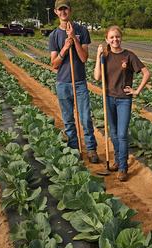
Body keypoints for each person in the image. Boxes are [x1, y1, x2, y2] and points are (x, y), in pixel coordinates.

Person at [94, 25, 150, 181]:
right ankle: (118, 161)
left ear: (121, 38)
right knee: (113, 133)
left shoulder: (129, 56)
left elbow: (146, 73)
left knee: (122, 134)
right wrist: (98, 56)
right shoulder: (105, 55)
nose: (115, 40)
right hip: (109, 98)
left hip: (124, 100)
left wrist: (136, 91)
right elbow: (97, 77)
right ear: (107, 39)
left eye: (117, 37)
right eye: (111, 37)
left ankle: (123, 167)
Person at [49, 0, 99, 163]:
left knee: (85, 118)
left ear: (70, 10)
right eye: (60, 9)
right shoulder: (54, 36)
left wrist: (74, 39)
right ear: (56, 12)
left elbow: (84, 58)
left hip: (79, 82)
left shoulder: (82, 30)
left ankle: (91, 149)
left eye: (65, 9)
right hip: (63, 83)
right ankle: (74, 150)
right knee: (68, 120)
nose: (63, 12)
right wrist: (65, 47)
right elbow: (54, 64)